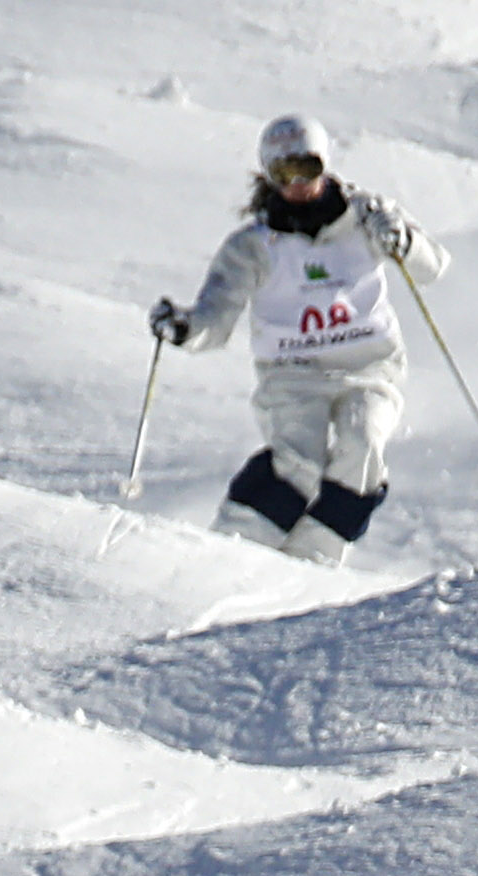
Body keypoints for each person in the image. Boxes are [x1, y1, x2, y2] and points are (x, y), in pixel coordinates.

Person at [148, 111, 448, 566]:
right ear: (267, 177)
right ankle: (231, 552)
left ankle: (311, 562)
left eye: (306, 170)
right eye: (282, 174)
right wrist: (184, 329)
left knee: (363, 447)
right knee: (299, 464)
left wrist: (403, 242)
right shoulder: (253, 245)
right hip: (293, 376)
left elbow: (433, 267)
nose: (297, 184)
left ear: (324, 165)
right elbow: (216, 317)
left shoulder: (368, 218)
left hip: (369, 368)